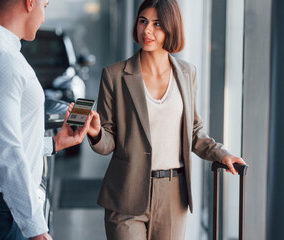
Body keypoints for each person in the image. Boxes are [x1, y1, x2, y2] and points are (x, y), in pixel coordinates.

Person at [86, 0, 246, 239]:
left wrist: (221, 153)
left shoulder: (187, 72)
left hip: (173, 194)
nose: (147, 30)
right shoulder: (114, 75)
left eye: (157, 24)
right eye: (143, 21)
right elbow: (109, 142)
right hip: (126, 192)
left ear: (171, 28)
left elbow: (194, 130)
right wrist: (97, 133)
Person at [0, 0, 95, 239]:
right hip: (0, 214)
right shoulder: (0, 59)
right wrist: (37, 230)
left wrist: (54, 144)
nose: (43, 17)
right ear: (30, 2)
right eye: (45, 5)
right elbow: (8, 154)